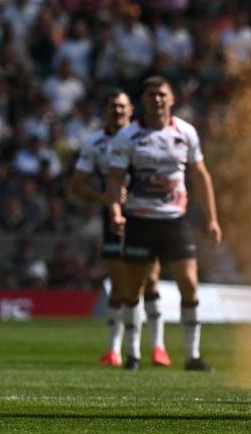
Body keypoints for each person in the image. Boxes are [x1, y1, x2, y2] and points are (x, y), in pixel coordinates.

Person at [106, 76, 222, 371]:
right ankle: (132, 354)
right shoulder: (128, 136)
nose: (157, 99)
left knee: (189, 284)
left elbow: (200, 176)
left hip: (174, 221)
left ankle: (192, 355)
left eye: (162, 95)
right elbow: (115, 179)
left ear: (171, 99)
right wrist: (116, 212)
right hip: (140, 221)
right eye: (151, 95)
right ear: (143, 101)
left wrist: (211, 219)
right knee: (133, 289)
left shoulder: (185, 132)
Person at [69, 90, 170, 367]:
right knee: (120, 284)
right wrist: (106, 198)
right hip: (113, 219)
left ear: (130, 109)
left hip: (146, 216)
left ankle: (158, 347)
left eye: (123, 106)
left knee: (150, 279)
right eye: (113, 106)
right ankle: (115, 350)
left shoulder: (143, 138)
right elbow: (76, 185)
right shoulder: (95, 142)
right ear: (106, 110)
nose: (118, 111)